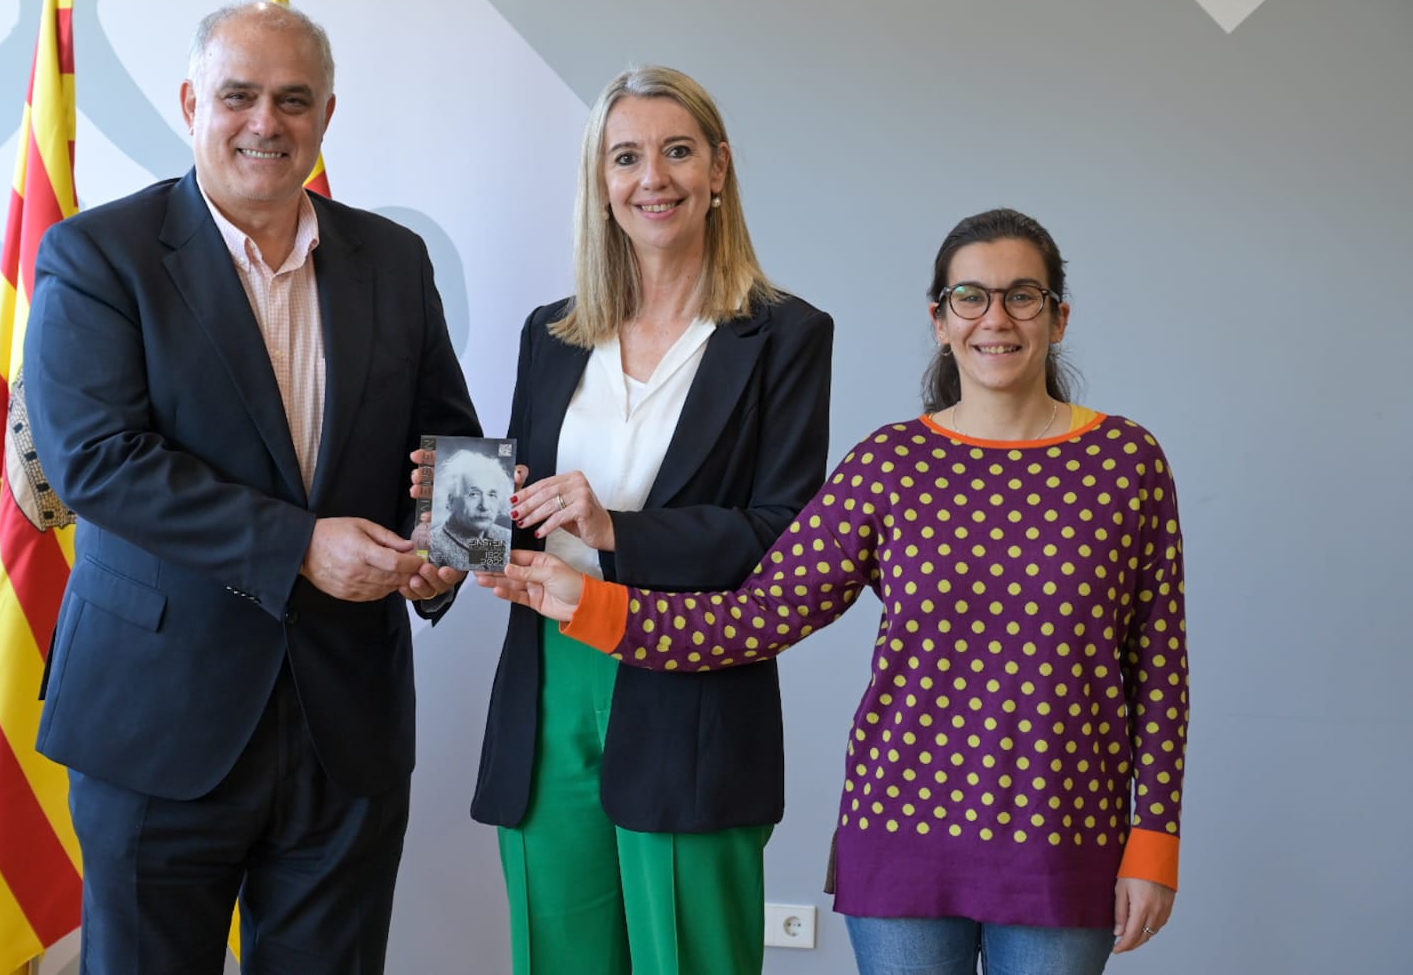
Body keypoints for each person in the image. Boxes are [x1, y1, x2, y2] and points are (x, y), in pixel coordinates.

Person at [482, 208, 1188, 975]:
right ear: (940, 319)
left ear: (1058, 317)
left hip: (1065, 835)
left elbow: (1159, 670)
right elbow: (757, 616)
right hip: (904, 832)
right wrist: (587, 601)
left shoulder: (1125, 460)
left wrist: (1153, 840)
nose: (996, 318)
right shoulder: (891, 463)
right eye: (971, 297)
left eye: (1023, 296)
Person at [23, 0, 480, 973]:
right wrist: (301, 544)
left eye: (293, 99)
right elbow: (98, 458)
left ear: (325, 116)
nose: (265, 122)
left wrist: (454, 551)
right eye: (239, 95)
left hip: (345, 726)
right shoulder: (99, 255)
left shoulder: (393, 261)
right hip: (156, 719)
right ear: (194, 102)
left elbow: (455, 442)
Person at [465, 66, 835, 975]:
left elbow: (781, 533)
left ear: (719, 171)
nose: (652, 178)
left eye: (677, 152)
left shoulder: (785, 334)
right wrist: (456, 519)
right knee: (560, 958)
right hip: (546, 677)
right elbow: (522, 501)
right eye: (625, 156)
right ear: (601, 181)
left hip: (693, 681)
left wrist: (616, 528)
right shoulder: (549, 333)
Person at [425, 449, 513, 570]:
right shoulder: (431, 547)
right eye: (474, 494)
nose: (485, 506)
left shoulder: (506, 537)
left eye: (492, 495)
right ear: (451, 501)